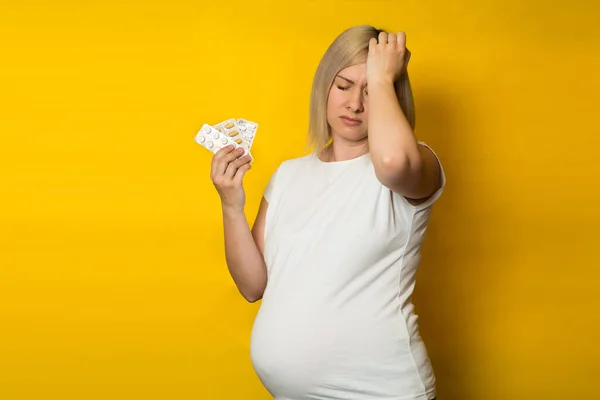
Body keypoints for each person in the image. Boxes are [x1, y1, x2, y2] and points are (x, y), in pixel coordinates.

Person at [210, 25, 444, 400]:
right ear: (324, 87)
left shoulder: (417, 164)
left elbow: (392, 160)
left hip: (381, 391)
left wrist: (385, 76)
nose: (355, 104)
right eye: (344, 85)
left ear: (392, 95)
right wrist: (231, 206)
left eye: (370, 89)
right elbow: (252, 286)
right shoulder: (289, 175)